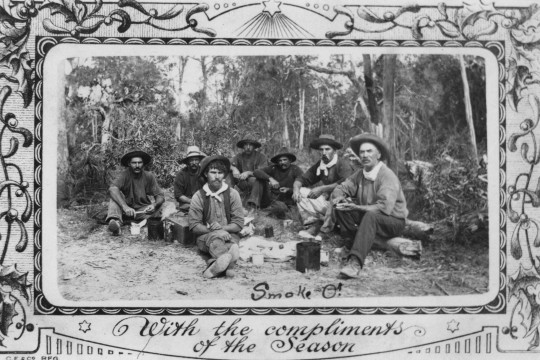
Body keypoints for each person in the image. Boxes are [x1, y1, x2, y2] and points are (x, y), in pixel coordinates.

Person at [331, 133, 408, 278]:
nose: (365, 155)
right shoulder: (361, 173)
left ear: (378, 155)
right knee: (340, 207)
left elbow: (383, 208)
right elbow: (340, 188)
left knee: (371, 215)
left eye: (369, 151)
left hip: (392, 221)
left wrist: (357, 207)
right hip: (369, 216)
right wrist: (340, 198)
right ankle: (351, 244)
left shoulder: (387, 176)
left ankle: (355, 262)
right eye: (362, 152)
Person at [188, 155, 244, 278]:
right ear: (205, 174)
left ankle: (214, 265)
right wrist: (216, 231)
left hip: (229, 234)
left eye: (220, 173)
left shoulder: (233, 194)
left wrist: (223, 229)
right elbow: (194, 226)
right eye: (213, 172)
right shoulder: (198, 196)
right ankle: (228, 265)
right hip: (206, 236)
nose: (217, 176)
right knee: (215, 240)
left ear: (224, 175)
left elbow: (239, 223)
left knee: (232, 241)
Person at [292, 134, 354, 227]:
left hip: (344, 203)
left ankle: (336, 222)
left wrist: (322, 189)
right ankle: (311, 221)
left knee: (340, 200)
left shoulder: (343, 164)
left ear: (334, 150)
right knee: (301, 191)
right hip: (328, 203)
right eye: (321, 150)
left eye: (327, 149)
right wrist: (296, 189)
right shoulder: (320, 165)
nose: (324, 152)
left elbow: (346, 184)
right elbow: (302, 179)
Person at [106, 149, 165, 236]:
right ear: (129, 164)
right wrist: (125, 207)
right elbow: (112, 189)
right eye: (134, 163)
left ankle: (160, 222)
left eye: (140, 162)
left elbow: (160, 195)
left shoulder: (149, 176)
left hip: (143, 211)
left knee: (167, 206)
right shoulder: (124, 175)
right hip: (126, 211)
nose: (137, 165)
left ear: (143, 163)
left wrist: (154, 205)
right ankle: (116, 223)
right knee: (114, 199)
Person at [231, 138, 269, 212]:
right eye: (246, 145)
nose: (248, 147)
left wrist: (248, 173)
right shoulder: (239, 156)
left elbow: (263, 173)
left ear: (254, 146)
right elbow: (227, 163)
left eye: (251, 145)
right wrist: (234, 169)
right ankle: (226, 200)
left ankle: (253, 206)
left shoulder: (261, 157)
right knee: (229, 174)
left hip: (259, 187)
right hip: (243, 183)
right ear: (243, 146)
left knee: (257, 180)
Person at [174, 145, 206, 213]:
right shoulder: (181, 175)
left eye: (196, 160)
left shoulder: (204, 173)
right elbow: (178, 195)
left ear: (199, 160)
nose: (194, 163)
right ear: (188, 161)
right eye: (191, 160)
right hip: (187, 205)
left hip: (203, 204)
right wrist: (191, 201)